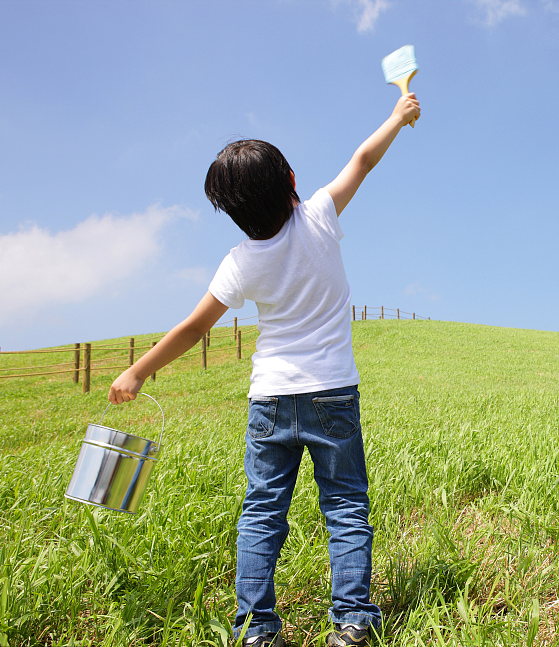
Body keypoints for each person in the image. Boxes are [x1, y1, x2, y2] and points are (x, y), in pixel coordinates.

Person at [109, 92, 421, 647]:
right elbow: (363, 160)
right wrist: (397, 117)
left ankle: (256, 630)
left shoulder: (239, 263)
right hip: (332, 395)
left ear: (231, 212)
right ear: (292, 180)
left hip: (270, 400)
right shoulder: (319, 216)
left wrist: (137, 372)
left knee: (262, 513)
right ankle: (352, 622)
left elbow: (193, 328)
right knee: (345, 505)